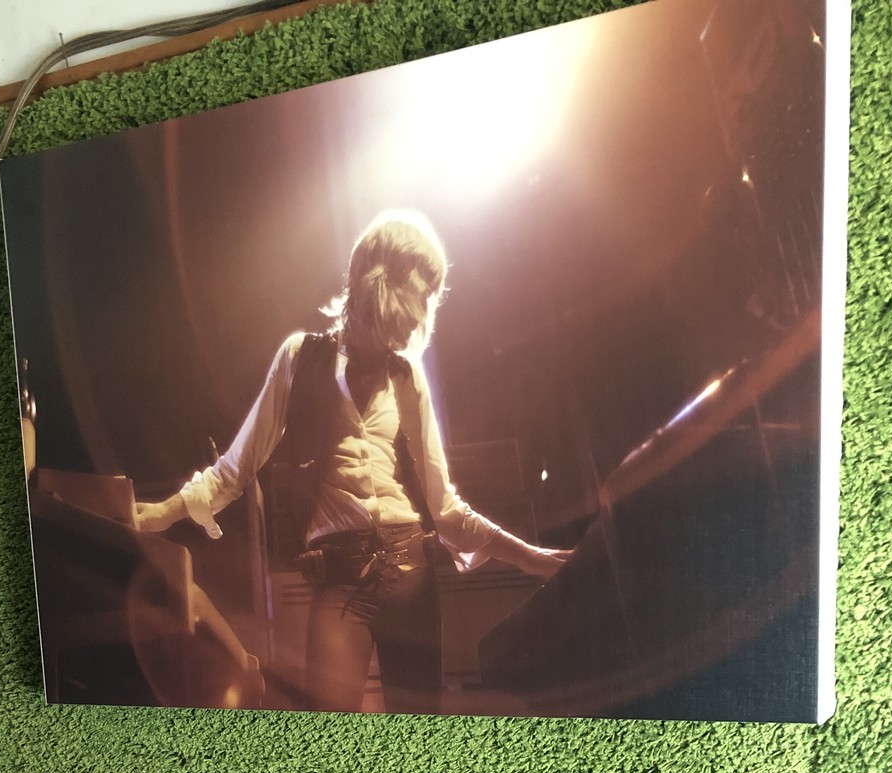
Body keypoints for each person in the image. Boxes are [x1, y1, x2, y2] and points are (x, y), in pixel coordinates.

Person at [135, 211, 570, 713]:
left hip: (411, 575)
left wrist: (532, 558)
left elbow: (446, 508)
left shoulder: (409, 379)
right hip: (340, 579)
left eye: (432, 296)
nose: (425, 309)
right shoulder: (300, 358)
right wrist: (160, 513)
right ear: (379, 275)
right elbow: (235, 468)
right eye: (421, 290)